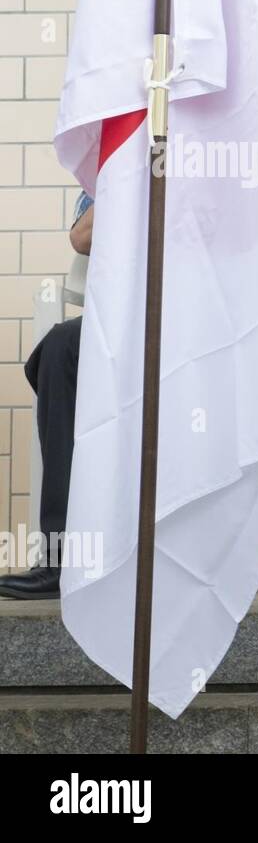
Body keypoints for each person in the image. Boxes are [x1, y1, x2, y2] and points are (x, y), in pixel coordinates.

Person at [0, 192, 93, 600]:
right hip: (130, 326)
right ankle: (61, 558)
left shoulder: (221, 160)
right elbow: (83, 238)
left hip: (205, 324)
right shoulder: (117, 162)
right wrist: (134, 171)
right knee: (59, 350)